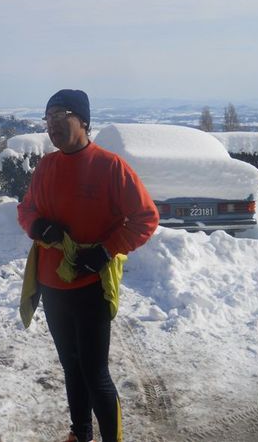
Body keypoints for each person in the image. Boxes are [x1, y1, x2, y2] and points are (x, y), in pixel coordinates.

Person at [17, 89, 159, 442]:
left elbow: (145, 218)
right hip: (52, 286)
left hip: (90, 287)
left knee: (95, 373)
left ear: (83, 120)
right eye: (47, 118)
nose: (52, 125)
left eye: (60, 115)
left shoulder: (110, 167)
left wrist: (105, 251)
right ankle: (80, 434)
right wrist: (37, 226)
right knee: (71, 366)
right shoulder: (46, 166)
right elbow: (26, 208)